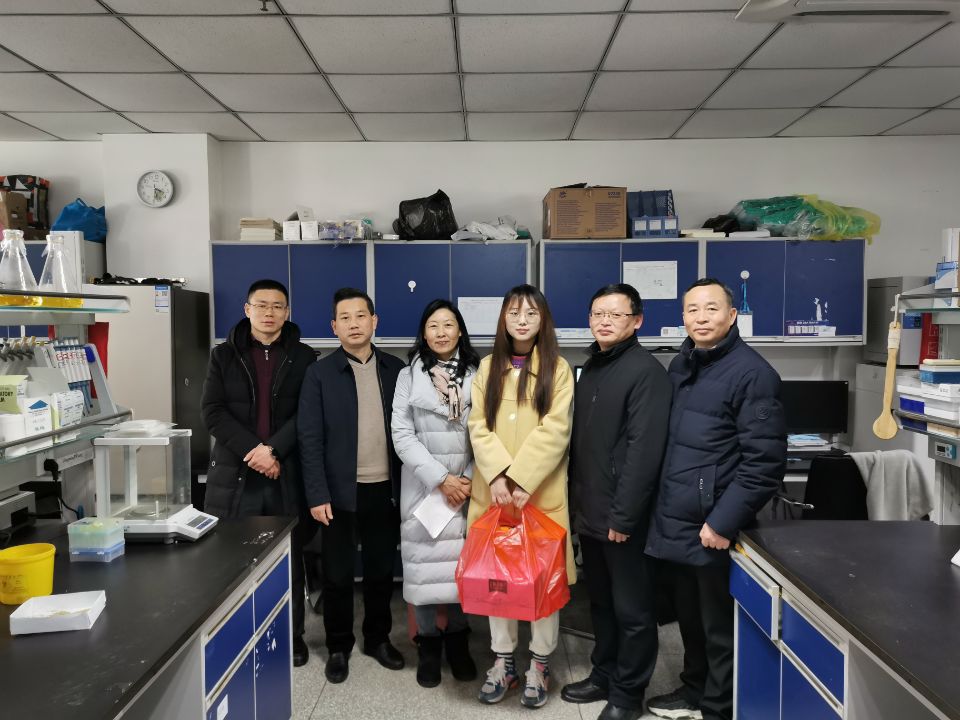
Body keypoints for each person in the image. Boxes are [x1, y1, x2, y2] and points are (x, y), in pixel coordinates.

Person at [645, 278, 786, 720]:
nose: (701, 318)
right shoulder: (683, 364)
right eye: (692, 310)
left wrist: (723, 522)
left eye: (711, 308)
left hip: (712, 524)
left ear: (732, 314)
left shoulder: (753, 374)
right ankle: (694, 690)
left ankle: (718, 707)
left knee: (718, 625)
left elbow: (763, 464)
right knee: (689, 619)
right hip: (678, 518)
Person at [561, 284, 673, 720]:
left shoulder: (646, 373)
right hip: (591, 511)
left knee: (633, 611)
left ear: (637, 320)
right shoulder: (593, 367)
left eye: (615, 314)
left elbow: (644, 452)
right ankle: (603, 674)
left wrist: (624, 517)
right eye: (597, 314)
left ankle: (628, 695)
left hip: (623, 518)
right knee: (602, 603)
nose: (604, 321)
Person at [467, 284, 575, 709]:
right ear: (504, 319)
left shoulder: (558, 368)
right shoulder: (487, 367)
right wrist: (497, 476)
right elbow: (478, 425)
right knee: (498, 579)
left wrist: (522, 480)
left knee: (541, 580)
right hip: (495, 495)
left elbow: (557, 429)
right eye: (514, 312)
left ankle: (541, 663)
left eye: (531, 312)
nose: (523, 320)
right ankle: (504, 661)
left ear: (543, 319)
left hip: (539, 495)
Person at [201, 278, 317, 667]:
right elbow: (212, 412)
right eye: (261, 305)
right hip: (237, 473)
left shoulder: (304, 357)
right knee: (233, 559)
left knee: (288, 557)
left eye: (277, 306)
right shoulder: (223, 356)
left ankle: (292, 636)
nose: (269, 312)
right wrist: (255, 451)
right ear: (247, 309)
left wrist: (274, 450)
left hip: (284, 472)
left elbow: (306, 413)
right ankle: (235, 635)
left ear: (288, 312)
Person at [298, 287, 406, 684]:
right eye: (345, 318)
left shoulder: (396, 369)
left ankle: (378, 639)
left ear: (374, 321)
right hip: (338, 492)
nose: (354, 324)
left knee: (380, 571)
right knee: (338, 575)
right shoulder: (320, 374)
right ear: (334, 326)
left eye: (361, 316)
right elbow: (310, 439)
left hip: (386, 488)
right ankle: (338, 646)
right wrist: (317, 494)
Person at [391, 299, 480, 689]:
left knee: (461, 570)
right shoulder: (409, 376)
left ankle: (458, 641)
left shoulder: (479, 374)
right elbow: (402, 435)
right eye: (433, 325)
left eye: (448, 324)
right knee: (424, 570)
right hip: (425, 488)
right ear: (424, 334)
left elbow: (488, 432)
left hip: (468, 489)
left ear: (460, 330)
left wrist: (468, 479)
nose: (441, 332)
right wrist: (441, 478)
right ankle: (427, 644)